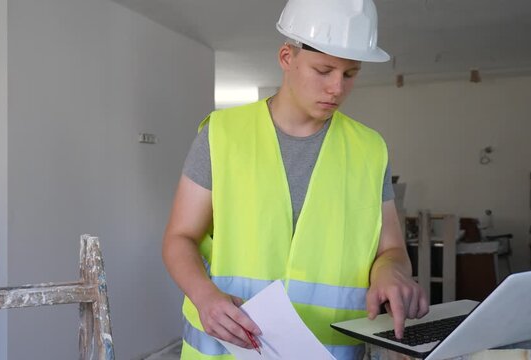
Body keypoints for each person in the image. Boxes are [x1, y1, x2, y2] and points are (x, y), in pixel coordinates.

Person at [162, 0, 429, 358]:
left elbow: (392, 250)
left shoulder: (369, 150)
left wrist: (391, 273)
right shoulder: (221, 135)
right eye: (324, 70)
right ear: (287, 57)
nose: (337, 87)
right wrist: (204, 295)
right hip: (224, 351)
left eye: (350, 74)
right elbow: (179, 238)